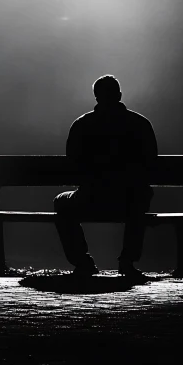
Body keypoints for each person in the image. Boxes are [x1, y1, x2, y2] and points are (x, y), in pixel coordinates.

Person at [54, 75, 158, 282]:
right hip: (129, 199)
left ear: (96, 97)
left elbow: (72, 162)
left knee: (60, 202)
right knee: (141, 195)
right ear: (119, 95)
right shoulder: (140, 123)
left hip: (90, 197)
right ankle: (127, 260)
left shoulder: (82, 124)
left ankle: (82, 261)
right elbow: (151, 162)